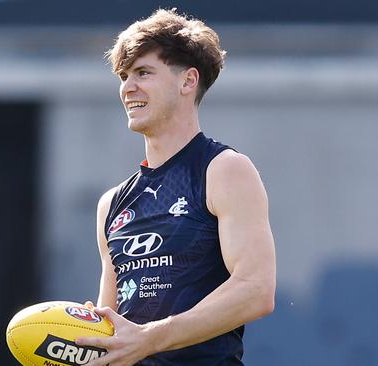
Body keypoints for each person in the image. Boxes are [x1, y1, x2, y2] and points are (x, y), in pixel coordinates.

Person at [77, 8, 276, 366]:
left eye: (143, 73)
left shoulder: (224, 170)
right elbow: (111, 330)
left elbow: (256, 291)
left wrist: (150, 338)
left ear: (187, 82)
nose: (127, 88)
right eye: (124, 76)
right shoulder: (111, 204)